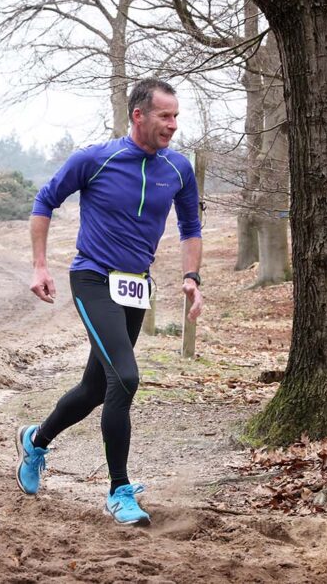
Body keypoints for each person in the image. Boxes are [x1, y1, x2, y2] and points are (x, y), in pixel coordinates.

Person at [17, 78, 203, 527]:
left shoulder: (179, 169)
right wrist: (40, 266)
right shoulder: (96, 159)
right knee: (125, 377)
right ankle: (119, 490)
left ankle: (36, 440)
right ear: (138, 115)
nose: (173, 125)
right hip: (93, 279)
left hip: (134, 287)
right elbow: (45, 201)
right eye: (165, 115)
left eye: (176, 116)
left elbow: (191, 227)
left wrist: (192, 278)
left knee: (98, 388)